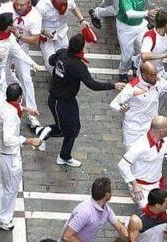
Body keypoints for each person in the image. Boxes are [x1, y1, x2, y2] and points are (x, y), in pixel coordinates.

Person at [36, 34, 125, 167]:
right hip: (58, 101)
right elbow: (92, 85)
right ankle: (47, 135)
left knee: (75, 128)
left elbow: (50, 61)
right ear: (81, 48)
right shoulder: (78, 66)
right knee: (66, 130)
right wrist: (113, 85)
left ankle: (59, 150)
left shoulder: (62, 53)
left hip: (68, 100)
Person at [0, 83, 43, 231]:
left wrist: (29, 110)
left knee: (4, 187)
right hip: (9, 156)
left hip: (0, 153)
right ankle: (4, 218)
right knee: (11, 189)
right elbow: (9, 139)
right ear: (20, 98)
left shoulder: (4, 104)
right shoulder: (11, 116)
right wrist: (29, 141)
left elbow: (15, 107)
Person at [113, 0, 167, 81]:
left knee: (144, 49)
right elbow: (129, 13)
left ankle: (136, 65)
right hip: (126, 27)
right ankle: (123, 72)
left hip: (140, 25)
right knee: (127, 55)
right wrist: (147, 13)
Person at [110, 61, 167, 150]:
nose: (156, 77)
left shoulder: (158, 80)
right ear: (145, 75)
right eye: (153, 75)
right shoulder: (132, 87)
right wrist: (120, 109)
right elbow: (113, 104)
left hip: (150, 129)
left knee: (147, 159)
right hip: (133, 130)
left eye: (156, 74)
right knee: (131, 159)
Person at [118, 116, 167, 208]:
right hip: (142, 186)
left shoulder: (164, 140)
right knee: (150, 210)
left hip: (157, 183)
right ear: (161, 131)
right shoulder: (141, 145)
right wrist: (134, 184)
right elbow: (122, 164)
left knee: (164, 208)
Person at [0, 0, 44, 127]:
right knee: (4, 77)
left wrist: (33, 63)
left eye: (21, 5)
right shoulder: (5, 8)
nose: (18, 7)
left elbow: (34, 40)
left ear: (29, 3)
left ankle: (31, 113)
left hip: (21, 46)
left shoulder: (35, 16)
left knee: (26, 79)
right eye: (16, 4)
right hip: (1, 58)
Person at [36, 0, 90, 73]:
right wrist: (45, 32)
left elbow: (74, 8)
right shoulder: (42, 6)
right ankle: (55, 80)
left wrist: (82, 20)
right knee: (50, 64)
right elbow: (34, 24)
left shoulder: (68, 0)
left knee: (67, 59)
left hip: (61, 34)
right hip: (47, 38)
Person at [0, 13, 46, 108]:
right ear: (9, 27)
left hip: (1, 74)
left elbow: (20, 53)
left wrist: (33, 64)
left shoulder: (9, 37)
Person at [59, 177, 128, 242]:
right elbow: (66, 237)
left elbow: (119, 226)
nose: (112, 193)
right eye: (111, 191)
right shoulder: (84, 212)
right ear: (107, 195)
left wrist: (126, 237)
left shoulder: (105, 208)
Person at [139, 9, 167, 76]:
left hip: (160, 71)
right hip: (147, 74)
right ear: (166, 25)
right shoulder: (149, 37)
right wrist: (164, 55)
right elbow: (144, 56)